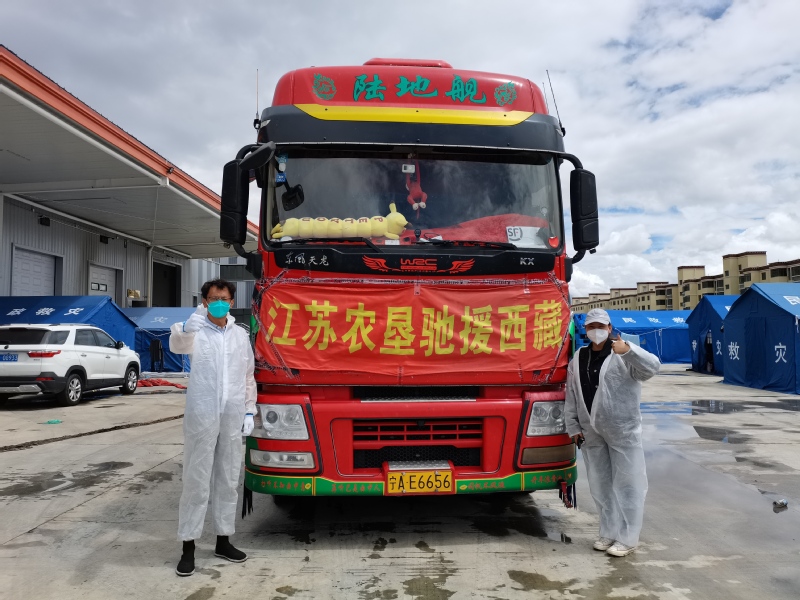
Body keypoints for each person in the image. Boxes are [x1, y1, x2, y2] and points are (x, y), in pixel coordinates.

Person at [169, 279, 256, 576]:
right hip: (202, 413)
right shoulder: (195, 329)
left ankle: (223, 540)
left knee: (228, 477)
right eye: (214, 298)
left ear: (232, 302)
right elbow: (178, 346)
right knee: (196, 478)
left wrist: (249, 409)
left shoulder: (239, 335)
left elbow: (248, 374)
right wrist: (186, 328)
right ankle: (188, 547)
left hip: (232, 413)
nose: (220, 302)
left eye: (225, 298)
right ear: (205, 301)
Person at [565, 308, 660, 557]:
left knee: (628, 483)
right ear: (585, 329)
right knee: (600, 485)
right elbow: (572, 395)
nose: (596, 330)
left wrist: (629, 351)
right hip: (590, 431)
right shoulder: (579, 357)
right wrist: (573, 426)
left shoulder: (622, 352)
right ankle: (608, 531)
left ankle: (628, 537)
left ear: (609, 328)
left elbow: (652, 368)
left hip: (622, 429)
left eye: (601, 326)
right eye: (591, 326)